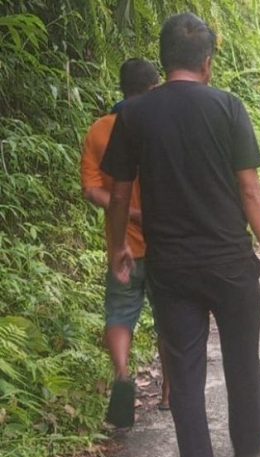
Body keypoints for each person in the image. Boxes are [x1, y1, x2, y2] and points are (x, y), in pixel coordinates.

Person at [101, 13, 260, 457]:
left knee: (184, 373)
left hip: (171, 268)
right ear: (207, 62)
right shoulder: (227, 106)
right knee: (242, 357)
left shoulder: (134, 115)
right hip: (229, 261)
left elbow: (118, 196)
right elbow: (249, 189)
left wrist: (118, 247)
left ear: (164, 62)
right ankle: (251, 441)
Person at [81, 58, 171, 428]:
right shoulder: (161, 127)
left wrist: (128, 214)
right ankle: (169, 393)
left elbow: (92, 189)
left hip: (122, 248)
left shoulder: (100, 129)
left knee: (119, 313)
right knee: (169, 318)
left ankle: (121, 374)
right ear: (153, 87)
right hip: (166, 243)